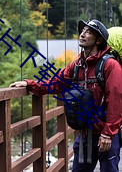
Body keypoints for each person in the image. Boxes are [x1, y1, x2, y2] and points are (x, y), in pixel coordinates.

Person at [9, 19, 122, 172]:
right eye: (82, 31)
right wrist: (29, 84)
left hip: (105, 133)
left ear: (99, 40)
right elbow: (55, 83)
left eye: (88, 32)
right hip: (84, 133)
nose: (82, 34)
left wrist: (108, 134)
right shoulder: (76, 65)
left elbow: (116, 100)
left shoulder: (110, 65)